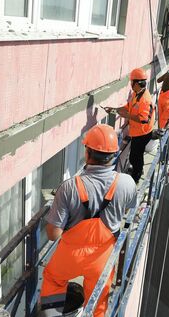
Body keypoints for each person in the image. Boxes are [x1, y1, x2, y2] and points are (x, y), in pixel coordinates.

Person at [40, 124, 137, 317]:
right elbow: (127, 209)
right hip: (103, 255)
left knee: (53, 279)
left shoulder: (69, 187)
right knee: (98, 299)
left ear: (87, 152)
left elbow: (53, 234)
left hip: (71, 255)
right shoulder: (127, 183)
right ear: (114, 153)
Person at [106, 68, 155, 183]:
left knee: (135, 156)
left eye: (132, 82)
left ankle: (136, 178)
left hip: (143, 133)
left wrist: (127, 116)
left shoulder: (145, 100)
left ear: (137, 83)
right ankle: (138, 170)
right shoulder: (136, 94)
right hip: (138, 132)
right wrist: (115, 110)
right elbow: (128, 107)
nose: (130, 84)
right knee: (136, 155)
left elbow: (144, 120)